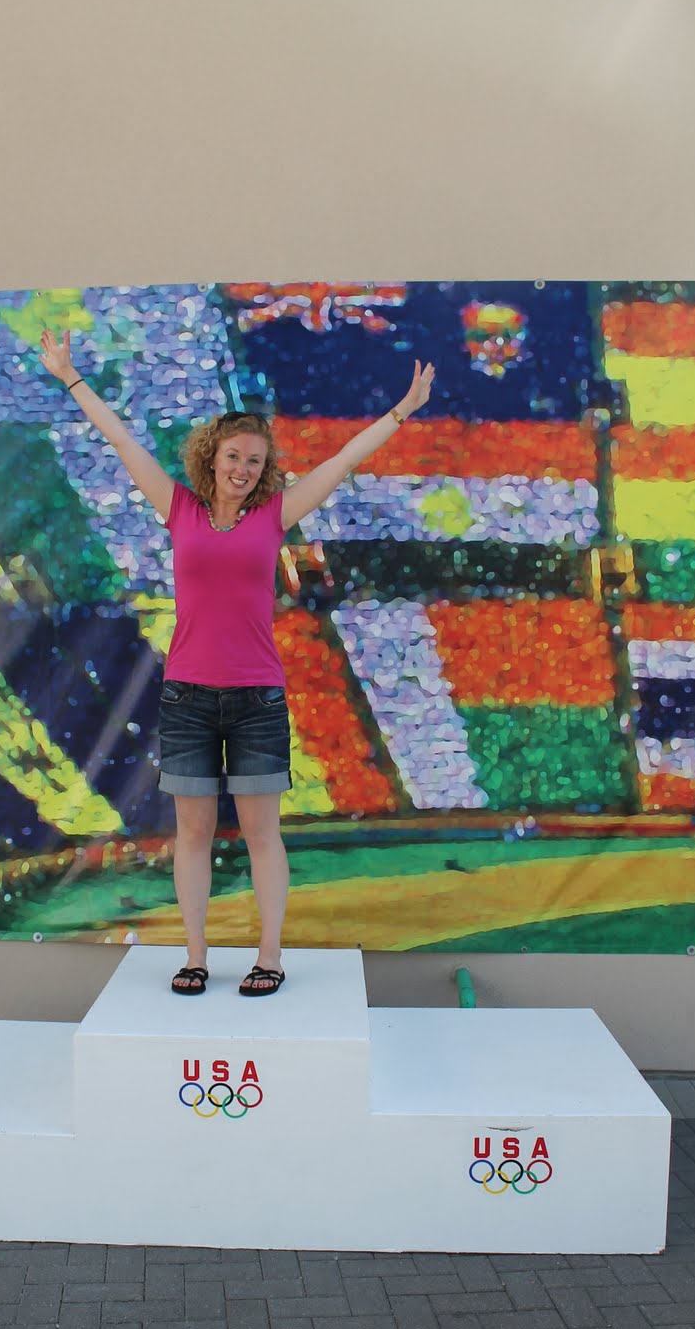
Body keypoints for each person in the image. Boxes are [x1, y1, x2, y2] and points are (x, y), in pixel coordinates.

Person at [39, 326, 435, 996]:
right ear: (212, 458)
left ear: (264, 468)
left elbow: (342, 461)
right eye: (233, 456)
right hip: (187, 698)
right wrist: (70, 377)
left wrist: (401, 410)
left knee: (261, 834)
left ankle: (269, 956)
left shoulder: (274, 516)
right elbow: (123, 442)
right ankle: (195, 957)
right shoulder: (179, 510)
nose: (243, 468)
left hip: (256, 699)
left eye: (254, 460)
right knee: (192, 834)